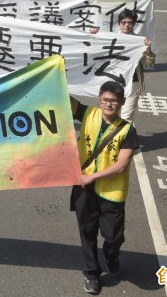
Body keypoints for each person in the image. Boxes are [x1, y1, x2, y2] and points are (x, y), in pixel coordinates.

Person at [70, 81, 139, 295]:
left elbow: (121, 165)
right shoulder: (88, 114)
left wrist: (93, 177)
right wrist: (54, 74)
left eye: (114, 101)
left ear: (122, 103)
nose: (109, 104)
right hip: (84, 188)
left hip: (111, 192)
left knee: (113, 236)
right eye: (106, 99)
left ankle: (111, 253)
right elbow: (66, 101)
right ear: (99, 98)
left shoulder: (127, 130)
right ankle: (91, 274)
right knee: (87, 231)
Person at [116, 9, 155, 123]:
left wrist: (148, 50)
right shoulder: (110, 38)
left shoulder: (140, 41)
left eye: (130, 22)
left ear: (134, 24)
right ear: (119, 23)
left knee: (126, 117)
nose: (126, 25)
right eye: (124, 22)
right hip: (114, 81)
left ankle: (124, 138)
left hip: (133, 82)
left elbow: (149, 64)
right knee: (111, 112)